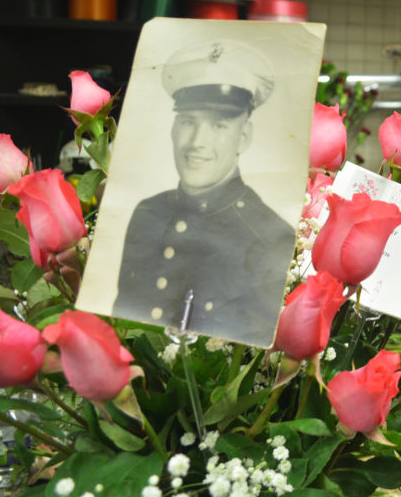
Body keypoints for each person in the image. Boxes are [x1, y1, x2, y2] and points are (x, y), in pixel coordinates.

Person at [113, 39, 295, 348]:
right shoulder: (148, 213)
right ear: (173, 130)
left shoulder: (269, 235)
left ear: (244, 136)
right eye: (188, 122)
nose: (197, 141)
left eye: (219, 126)